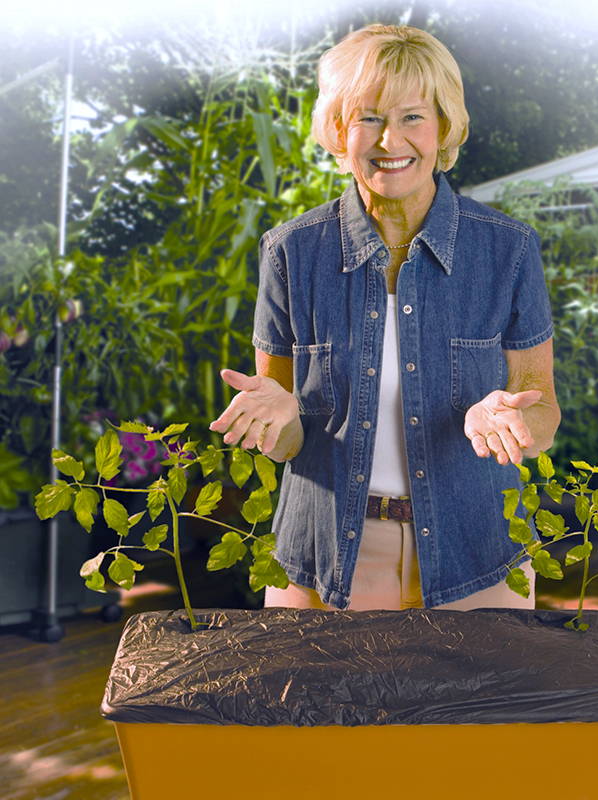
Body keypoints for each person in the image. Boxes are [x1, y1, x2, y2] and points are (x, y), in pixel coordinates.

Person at [209, 24, 560, 612]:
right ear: (339, 131)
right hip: (323, 558)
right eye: (367, 117)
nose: (389, 139)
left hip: (477, 552)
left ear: (444, 126)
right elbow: (288, 436)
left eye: (413, 117)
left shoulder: (508, 249)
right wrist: (276, 417)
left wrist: (512, 418)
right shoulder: (291, 252)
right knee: (313, 708)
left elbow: (542, 410)